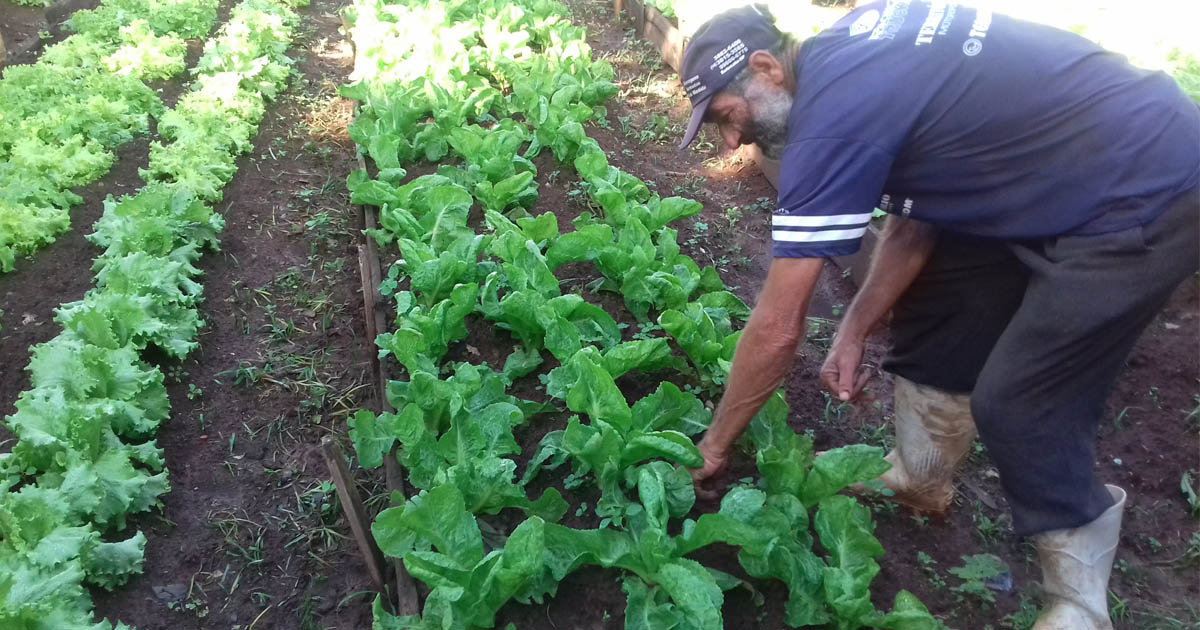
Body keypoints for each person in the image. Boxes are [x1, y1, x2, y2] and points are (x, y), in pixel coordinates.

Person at [676, 4, 1200, 629]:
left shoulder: (831, 125)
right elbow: (919, 213)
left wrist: (713, 446)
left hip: (1146, 185)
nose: (731, 143)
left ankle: (1078, 600)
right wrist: (854, 328)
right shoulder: (845, 52)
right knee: (945, 285)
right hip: (1062, 163)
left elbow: (778, 325)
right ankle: (920, 475)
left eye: (727, 118)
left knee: (1021, 400)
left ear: (766, 69)